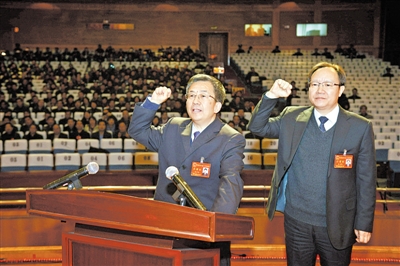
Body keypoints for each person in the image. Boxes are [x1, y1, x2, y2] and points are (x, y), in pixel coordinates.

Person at [248, 62, 376, 266]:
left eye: (327, 84)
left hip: (338, 222)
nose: (320, 89)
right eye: (314, 84)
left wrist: (364, 223)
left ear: (341, 90)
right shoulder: (291, 117)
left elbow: (366, 180)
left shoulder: (360, 127)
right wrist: (271, 95)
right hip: (296, 221)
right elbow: (257, 127)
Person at [128, 74, 245, 266]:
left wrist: (214, 226)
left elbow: (230, 184)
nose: (195, 100)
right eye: (191, 95)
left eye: (203, 95)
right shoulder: (173, 127)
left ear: (217, 106)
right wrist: (152, 102)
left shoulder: (230, 139)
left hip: (202, 232)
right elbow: (138, 131)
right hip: (165, 227)